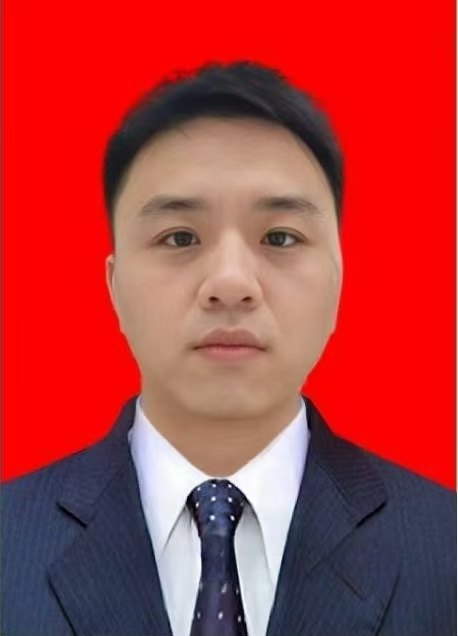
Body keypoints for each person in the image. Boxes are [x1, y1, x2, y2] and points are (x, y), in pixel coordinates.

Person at [2, 61, 456, 636]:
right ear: (114, 287)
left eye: (280, 237)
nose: (231, 283)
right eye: (180, 237)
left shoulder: (446, 545)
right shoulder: (10, 538)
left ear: (339, 281)